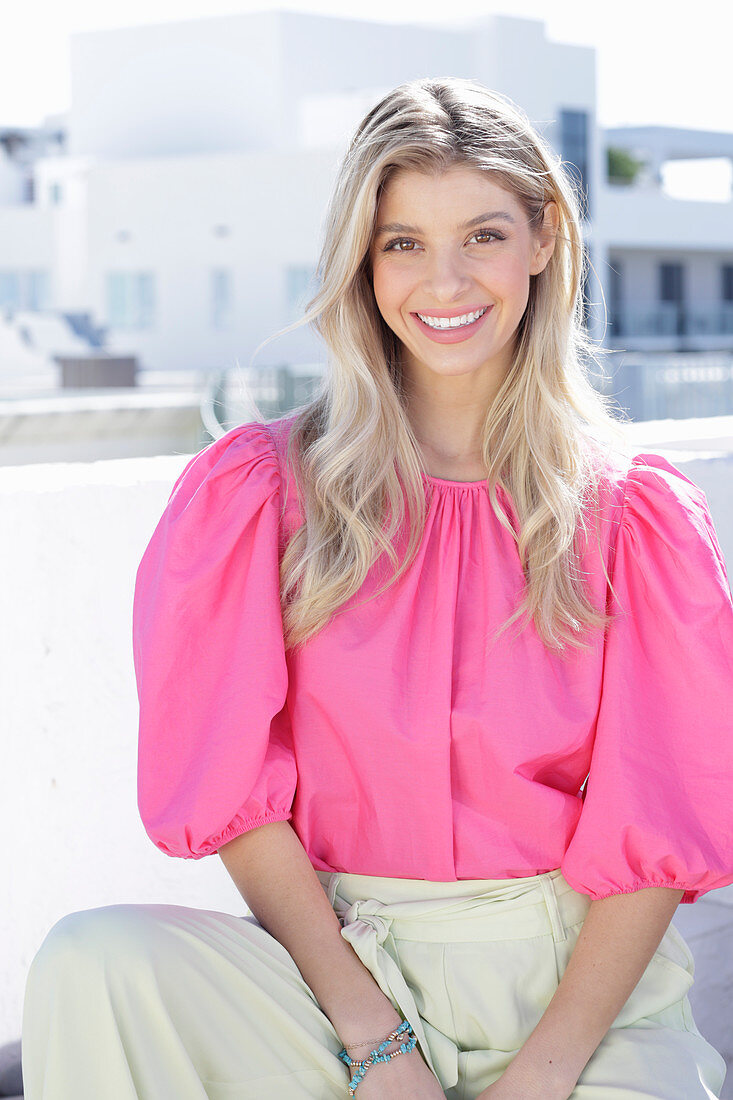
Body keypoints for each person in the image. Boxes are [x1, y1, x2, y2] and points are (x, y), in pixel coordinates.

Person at [21, 77, 733, 1100]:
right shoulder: (260, 494)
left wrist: (543, 1072)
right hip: (336, 968)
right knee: (94, 961)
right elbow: (228, 790)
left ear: (541, 237)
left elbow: (660, 827)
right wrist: (375, 1039)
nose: (443, 281)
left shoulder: (636, 516)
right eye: (402, 242)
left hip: (575, 993)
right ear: (362, 260)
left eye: (481, 235)